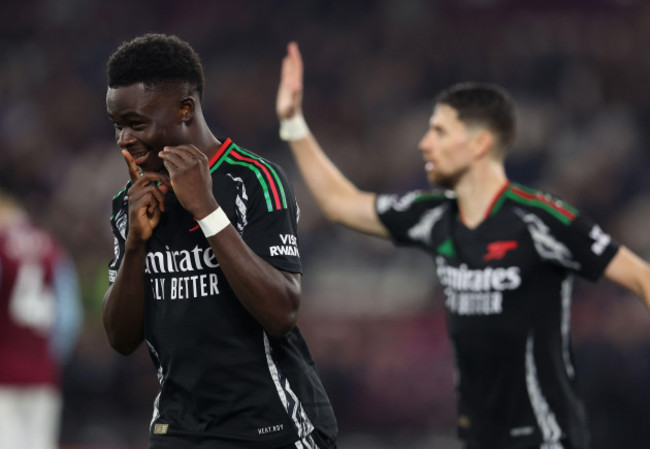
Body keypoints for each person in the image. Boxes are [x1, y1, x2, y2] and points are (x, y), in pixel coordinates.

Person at [275, 42, 650, 449]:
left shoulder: (541, 219)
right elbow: (341, 204)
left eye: (439, 131)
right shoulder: (434, 215)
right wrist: (293, 123)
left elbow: (642, 277)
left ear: (480, 143)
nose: (425, 144)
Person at [102, 34, 337, 449]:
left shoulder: (254, 179)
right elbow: (121, 340)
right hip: (179, 427)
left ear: (185, 108)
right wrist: (136, 245)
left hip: (273, 424)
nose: (124, 139)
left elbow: (283, 311)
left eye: (136, 124)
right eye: (117, 125)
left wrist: (207, 210)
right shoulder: (130, 203)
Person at [0, 189, 82, 449]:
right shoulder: (53, 249)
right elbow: (69, 319)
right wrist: (50, 360)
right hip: (43, 372)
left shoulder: (2, 245)